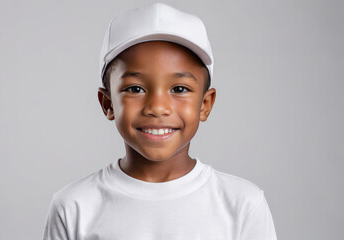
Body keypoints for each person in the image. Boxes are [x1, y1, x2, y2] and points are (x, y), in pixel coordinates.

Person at [43, 2, 277, 240]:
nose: (157, 107)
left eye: (179, 88)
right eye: (135, 88)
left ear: (205, 105)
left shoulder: (243, 205)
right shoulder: (73, 207)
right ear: (108, 103)